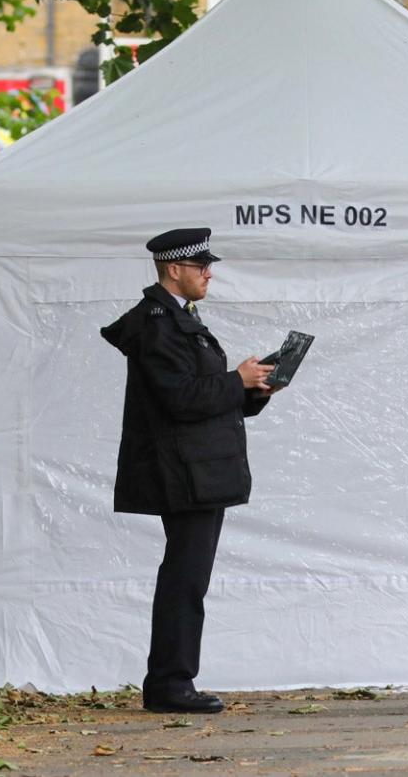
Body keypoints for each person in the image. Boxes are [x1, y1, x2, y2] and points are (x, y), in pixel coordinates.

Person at [101, 227, 280, 714]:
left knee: (187, 575)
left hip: (197, 467)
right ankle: (170, 683)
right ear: (174, 270)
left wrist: (250, 391)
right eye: (201, 267)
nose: (209, 274)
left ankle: (171, 678)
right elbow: (180, 399)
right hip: (185, 472)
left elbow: (200, 395)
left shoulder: (178, 319)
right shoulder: (159, 325)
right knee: (185, 578)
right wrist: (234, 380)